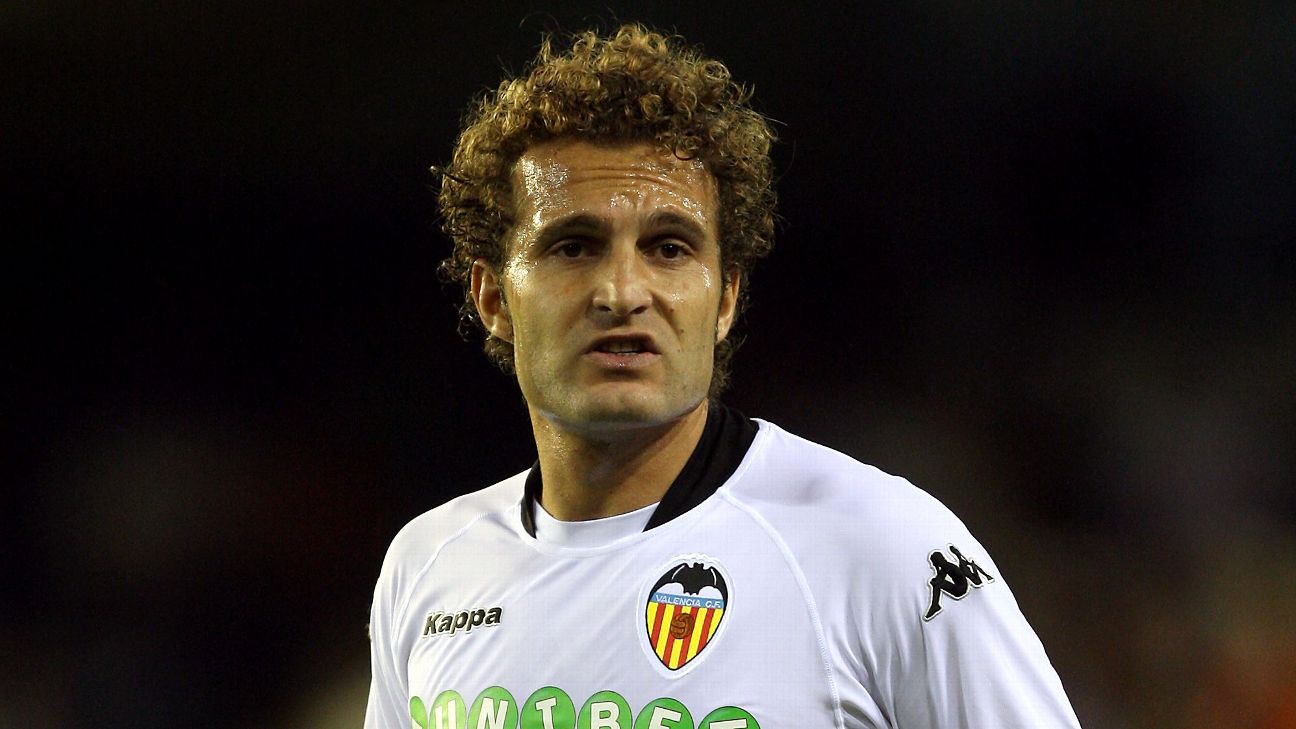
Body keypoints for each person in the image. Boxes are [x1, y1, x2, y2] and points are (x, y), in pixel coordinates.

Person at [366, 24, 1082, 729]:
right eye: (574, 246)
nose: (622, 291)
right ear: (493, 298)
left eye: (668, 248)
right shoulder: (427, 567)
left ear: (727, 297)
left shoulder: (881, 546)